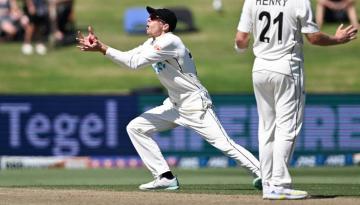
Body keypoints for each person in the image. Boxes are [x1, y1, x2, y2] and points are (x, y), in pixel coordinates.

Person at [77, 6, 262, 191]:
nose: (148, 21)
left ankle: (263, 174)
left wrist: (102, 48)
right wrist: (101, 48)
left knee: (224, 144)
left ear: (164, 26)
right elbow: (128, 57)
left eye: (153, 18)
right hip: (175, 106)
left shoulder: (170, 42)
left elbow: (134, 64)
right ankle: (164, 176)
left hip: (195, 105)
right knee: (136, 128)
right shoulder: (151, 43)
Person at [234, 0, 357, 200]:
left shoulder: (252, 1)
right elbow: (314, 38)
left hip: (260, 69)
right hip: (287, 67)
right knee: (287, 127)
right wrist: (337, 39)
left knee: (266, 128)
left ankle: (267, 182)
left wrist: (240, 50)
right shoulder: (298, 1)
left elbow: (241, 39)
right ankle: (279, 184)